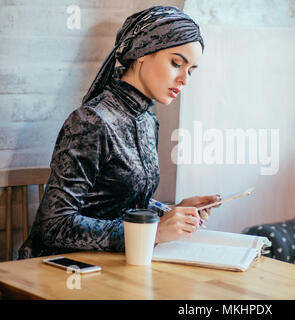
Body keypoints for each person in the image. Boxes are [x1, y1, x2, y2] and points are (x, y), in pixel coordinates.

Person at [19, 6, 220, 259]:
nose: (184, 80)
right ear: (141, 53)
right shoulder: (91, 121)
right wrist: (153, 232)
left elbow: (121, 201)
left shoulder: (147, 119)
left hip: (114, 263)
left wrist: (169, 212)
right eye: (176, 63)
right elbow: (55, 226)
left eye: (190, 70)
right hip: (60, 269)